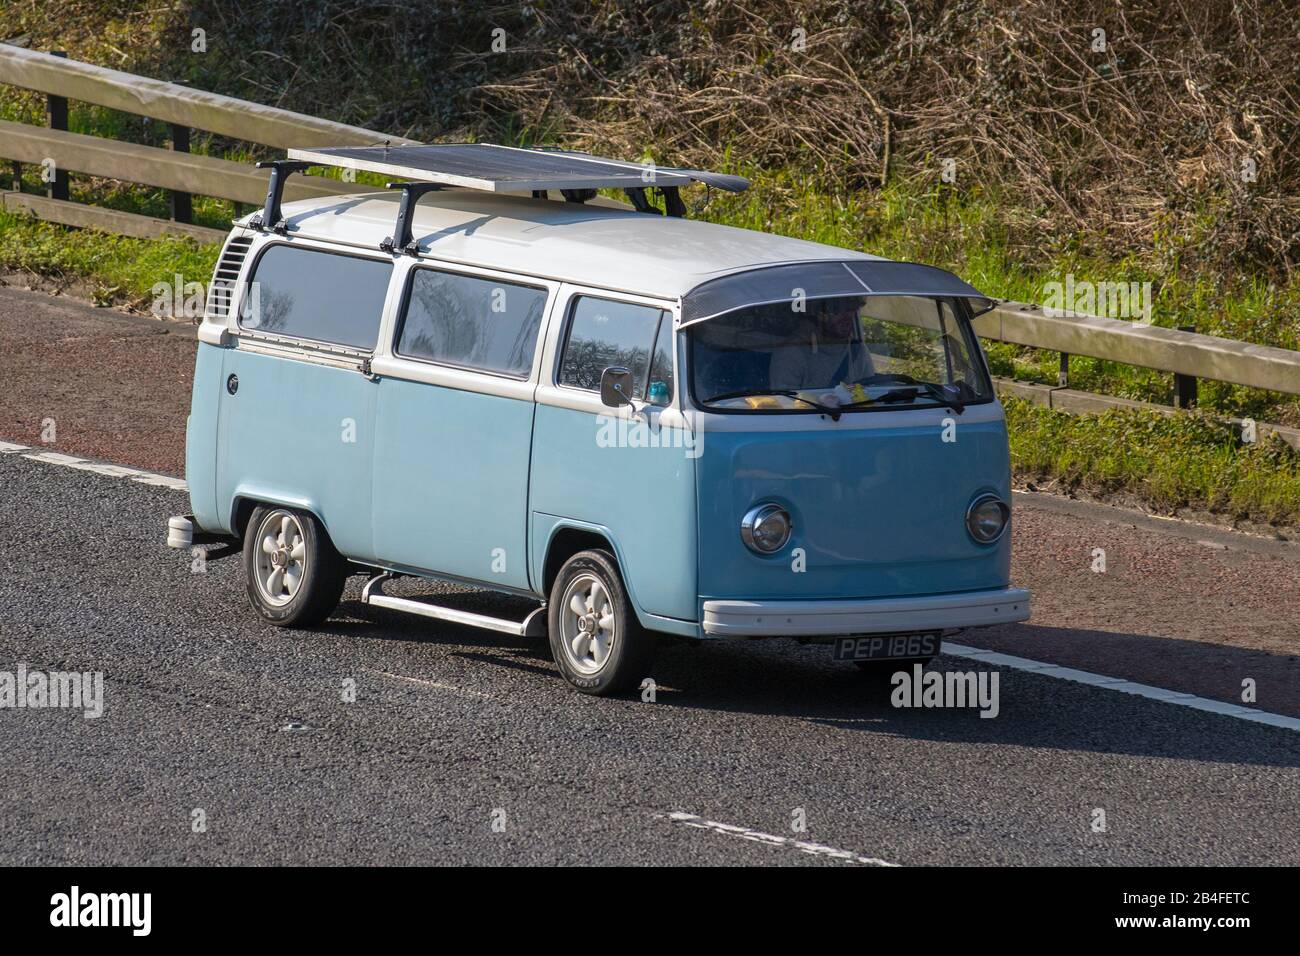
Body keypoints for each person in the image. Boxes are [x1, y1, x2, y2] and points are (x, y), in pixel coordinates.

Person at [768, 300, 871, 391]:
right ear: (819, 314)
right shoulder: (791, 353)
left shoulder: (858, 351)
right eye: (837, 310)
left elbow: (871, 390)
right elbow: (784, 403)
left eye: (851, 309)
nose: (847, 317)